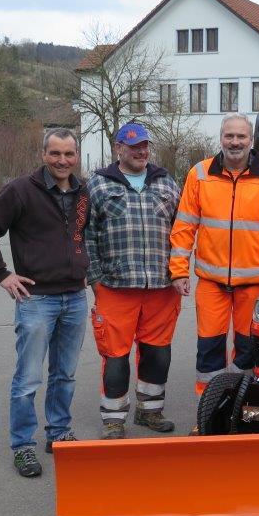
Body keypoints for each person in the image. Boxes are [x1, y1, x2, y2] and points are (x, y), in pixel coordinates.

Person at [0, 128, 88, 478]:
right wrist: (2, 275)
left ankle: (59, 432)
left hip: (75, 297)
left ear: (76, 157)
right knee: (28, 378)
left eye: (69, 154)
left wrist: (86, 266)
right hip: (37, 299)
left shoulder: (83, 193)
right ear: (43, 155)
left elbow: (86, 234)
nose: (62, 160)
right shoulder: (20, 191)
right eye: (55, 154)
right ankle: (23, 445)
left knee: (65, 374)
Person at [169, 113, 259, 408]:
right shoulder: (199, 174)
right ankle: (210, 414)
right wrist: (178, 271)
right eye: (230, 136)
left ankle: (245, 415)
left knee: (249, 354)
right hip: (211, 285)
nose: (235, 142)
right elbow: (184, 226)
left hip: (255, 288)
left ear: (251, 140)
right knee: (209, 354)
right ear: (221, 138)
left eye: (241, 136)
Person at [85, 123, 182, 439]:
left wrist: (179, 272)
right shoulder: (98, 185)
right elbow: (87, 236)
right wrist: (96, 279)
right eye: (133, 146)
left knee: (158, 353)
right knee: (115, 357)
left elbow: (184, 230)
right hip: (115, 286)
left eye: (144, 145)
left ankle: (150, 412)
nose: (141, 151)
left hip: (161, 287)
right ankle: (113, 418)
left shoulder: (166, 181)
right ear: (119, 148)